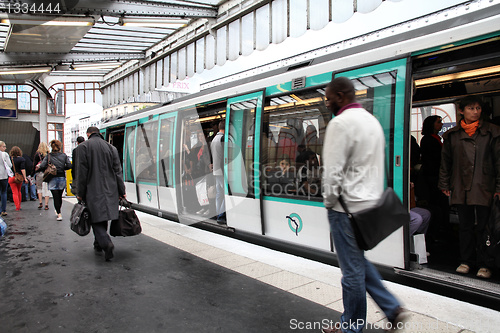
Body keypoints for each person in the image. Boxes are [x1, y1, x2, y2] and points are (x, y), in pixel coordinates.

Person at [322, 77, 406, 333]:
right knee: (358, 262)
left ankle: (351, 327)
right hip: (369, 205)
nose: (327, 104)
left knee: (351, 273)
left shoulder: (340, 123)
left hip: (345, 210)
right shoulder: (372, 121)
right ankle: (392, 307)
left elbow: (333, 171)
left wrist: (328, 201)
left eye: (328, 99)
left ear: (340, 96)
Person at [439, 95, 500, 279]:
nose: (475, 112)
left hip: (485, 186)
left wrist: (498, 186)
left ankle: (484, 264)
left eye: (478, 109)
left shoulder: (493, 132)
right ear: (461, 110)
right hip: (460, 185)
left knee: (484, 227)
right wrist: (444, 183)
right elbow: (446, 162)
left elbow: (499, 162)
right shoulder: (452, 135)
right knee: (464, 226)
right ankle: (466, 261)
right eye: (471, 109)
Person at [75, 127, 126, 261]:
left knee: (95, 218)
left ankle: (105, 243)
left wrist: (79, 193)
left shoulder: (83, 147)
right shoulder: (112, 148)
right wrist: (122, 191)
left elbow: (81, 174)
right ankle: (98, 243)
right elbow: (118, 172)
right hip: (111, 189)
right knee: (102, 215)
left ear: (88, 134)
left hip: (92, 189)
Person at [420, 115, 449, 238]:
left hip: (438, 175)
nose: (441, 124)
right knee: (438, 204)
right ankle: (438, 231)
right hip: (433, 177)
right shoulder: (428, 139)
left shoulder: (437, 138)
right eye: (439, 122)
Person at [38, 140, 72, 221]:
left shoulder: (49, 156)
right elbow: (69, 165)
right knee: (59, 196)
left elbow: (42, 166)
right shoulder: (64, 155)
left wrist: (48, 168)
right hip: (61, 177)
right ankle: (58, 211)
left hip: (52, 178)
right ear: (60, 147)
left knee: (55, 196)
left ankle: (59, 213)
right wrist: (62, 168)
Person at [210, 120, 226, 224]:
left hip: (215, 170)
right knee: (226, 193)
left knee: (219, 193)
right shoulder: (222, 139)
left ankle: (217, 212)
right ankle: (221, 215)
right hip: (221, 170)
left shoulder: (214, 138)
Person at [8, 146, 27, 211]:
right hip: (19, 177)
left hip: (11, 177)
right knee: (19, 191)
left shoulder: (10, 159)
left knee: (14, 192)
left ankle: (17, 207)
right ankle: (19, 206)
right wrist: (25, 178)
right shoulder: (22, 159)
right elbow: (23, 169)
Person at [33, 142, 50, 210]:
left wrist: (32, 173)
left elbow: (34, 164)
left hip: (39, 173)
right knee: (46, 188)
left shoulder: (37, 154)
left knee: (39, 188)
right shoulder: (48, 154)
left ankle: (40, 202)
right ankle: (46, 204)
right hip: (46, 173)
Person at [0, 141, 12, 216]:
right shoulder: (5, 154)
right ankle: (3, 210)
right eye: (4, 146)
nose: (5, 148)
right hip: (3, 175)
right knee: (3, 192)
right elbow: (9, 165)